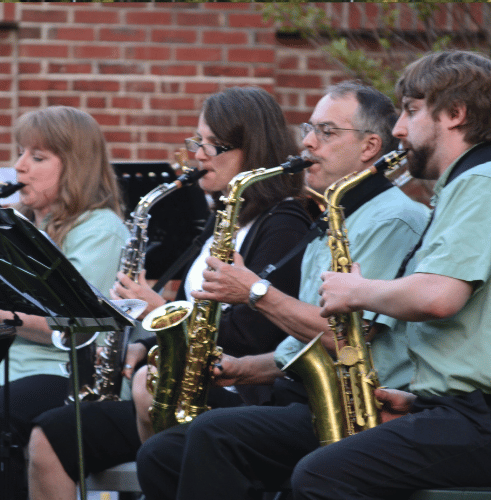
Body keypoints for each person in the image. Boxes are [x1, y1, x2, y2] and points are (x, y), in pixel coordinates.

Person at [133, 81, 431, 500]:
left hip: (358, 409)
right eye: (310, 129)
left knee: (214, 434)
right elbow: (304, 345)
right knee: (161, 455)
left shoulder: (393, 219)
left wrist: (255, 292)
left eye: (326, 132)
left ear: (370, 147)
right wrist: (243, 368)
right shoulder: (334, 216)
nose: (308, 142)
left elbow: (347, 338)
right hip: (304, 397)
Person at [27, 86, 312, 500]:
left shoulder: (283, 223)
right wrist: (144, 343)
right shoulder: (224, 218)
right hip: (186, 387)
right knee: (50, 436)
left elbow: (256, 333)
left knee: (147, 388)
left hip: (241, 394)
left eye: (214, 145)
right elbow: (193, 312)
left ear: (252, 150)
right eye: (198, 141)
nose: (198, 154)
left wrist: (160, 311)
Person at [287, 49, 491, 499]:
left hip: (483, 419)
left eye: (411, 110)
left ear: (455, 114)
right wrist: (421, 402)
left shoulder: (483, 181)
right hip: (464, 410)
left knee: (320, 477)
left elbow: (439, 297)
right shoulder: (472, 182)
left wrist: (356, 290)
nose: (399, 129)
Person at [0, 106, 130, 500]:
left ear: (75, 167)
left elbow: (78, 326)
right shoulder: (25, 225)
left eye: (37, 157)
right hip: (15, 370)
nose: (19, 166)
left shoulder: (101, 229)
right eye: (21, 152)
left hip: (67, 376)